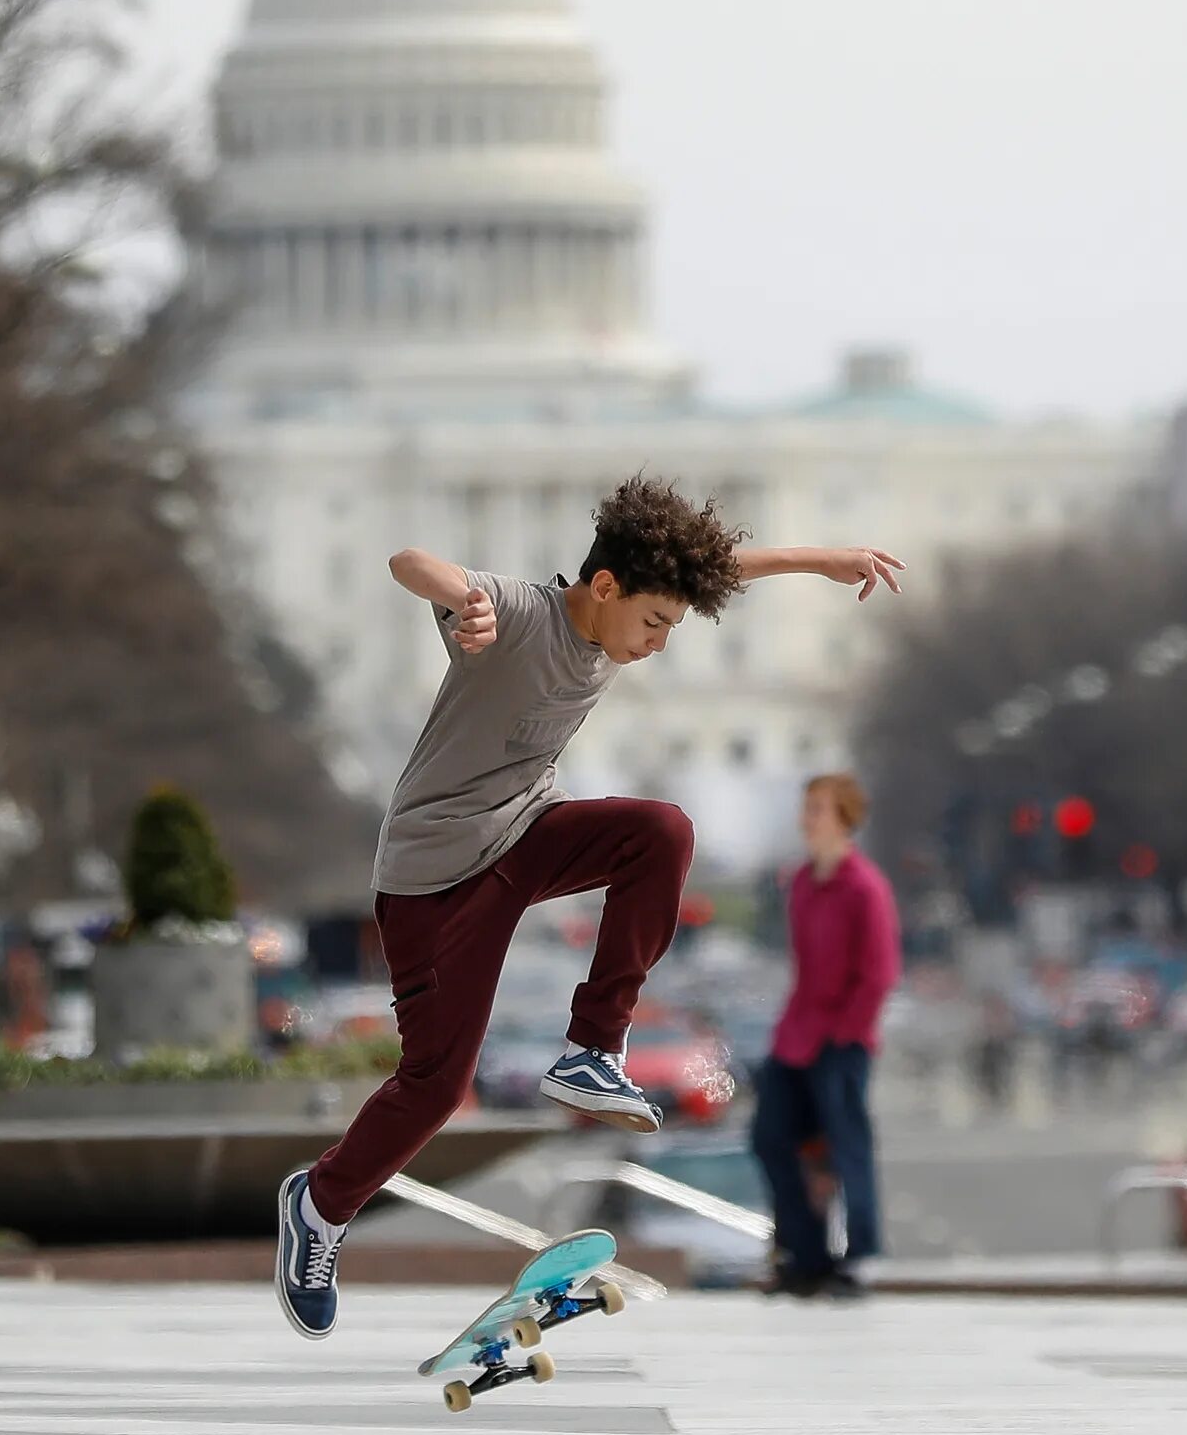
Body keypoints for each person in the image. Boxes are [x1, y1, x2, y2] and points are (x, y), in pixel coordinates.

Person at [275, 476, 903, 1339]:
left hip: (526, 836)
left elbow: (719, 564)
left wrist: (822, 559)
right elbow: (407, 561)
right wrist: (463, 601)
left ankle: (593, 1048)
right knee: (435, 1084)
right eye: (653, 625)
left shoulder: (627, 604)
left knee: (660, 833)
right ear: (604, 589)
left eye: (670, 630)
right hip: (435, 877)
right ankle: (320, 1205)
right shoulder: (524, 613)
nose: (654, 646)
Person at [751, 772, 903, 1298]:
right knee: (770, 1137)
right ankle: (805, 1254)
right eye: (806, 808)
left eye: (817, 809)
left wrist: (846, 1033)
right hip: (796, 1034)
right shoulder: (801, 882)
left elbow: (879, 973)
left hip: (842, 1040)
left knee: (846, 1146)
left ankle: (860, 1257)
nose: (806, 819)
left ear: (844, 819)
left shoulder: (865, 887)